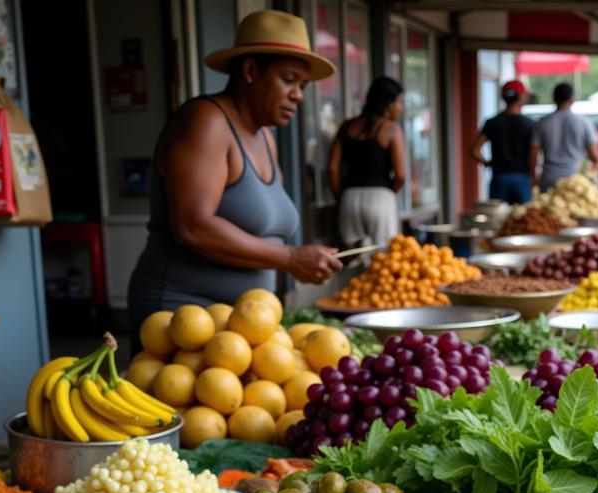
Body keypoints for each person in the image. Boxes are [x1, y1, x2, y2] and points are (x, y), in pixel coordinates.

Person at [127, 11, 341, 337]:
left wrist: (305, 258)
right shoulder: (206, 121)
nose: (298, 95)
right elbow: (192, 226)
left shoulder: (266, 137)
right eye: (288, 80)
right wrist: (289, 257)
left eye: (303, 85)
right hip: (181, 318)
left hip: (242, 324)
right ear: (251, 71)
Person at [327, 77, 405, 248]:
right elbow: (400, 175)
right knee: (383, 260)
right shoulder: (392, 129)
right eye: (400, 102)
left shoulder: (347, 127)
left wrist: (341, 197)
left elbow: (332, 168)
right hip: (381, 198)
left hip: (349, 198)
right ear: (388, 104)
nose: (402, 108)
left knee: (352, 258)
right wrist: (389, 192)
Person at [470, 81, 537, 204]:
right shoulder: (529, 124)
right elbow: (533, 156)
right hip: (522, 178)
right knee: (523, 218)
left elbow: (474, 151)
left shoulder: (492, 123)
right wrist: (533, 177)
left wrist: (488, 163)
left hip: (499, 177)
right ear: (521, 97)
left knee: (498, 218)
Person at [531, 82, 598, 190]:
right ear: (572, 99)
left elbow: (533, 155)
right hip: (575, 181)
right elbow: (595, 156)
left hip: (549, 179)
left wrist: (533, 177)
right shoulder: (584, 122)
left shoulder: (542, 122)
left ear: (553, 98)